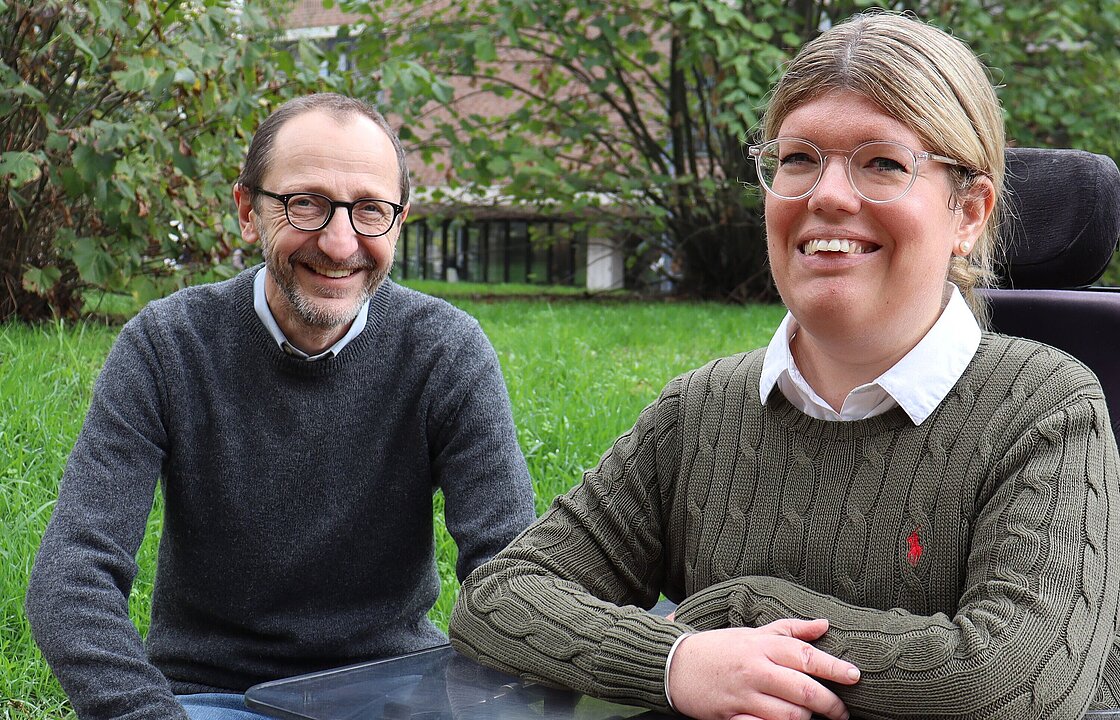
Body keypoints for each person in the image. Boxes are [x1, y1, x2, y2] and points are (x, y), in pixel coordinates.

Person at [449, 12, 1120, 720]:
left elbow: (1013, 683)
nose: (825, 194)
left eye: (883, 163)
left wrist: (738, 611)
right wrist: (675, 662)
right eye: (798, 158)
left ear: (969, 213)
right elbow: (499, 598)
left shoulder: (1047, 408)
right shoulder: (700, 412)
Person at [25, 93, 537, 720]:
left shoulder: (446, 351)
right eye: (307, 203)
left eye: (370, 210)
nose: (341, 243)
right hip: (214, 698)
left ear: (399, 222)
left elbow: (510, 574)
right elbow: (73, 576)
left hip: (396, 692)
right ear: (249, 212)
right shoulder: (166, 345)